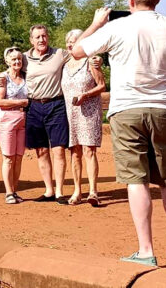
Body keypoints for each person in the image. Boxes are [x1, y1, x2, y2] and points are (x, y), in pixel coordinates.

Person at [72, 0, 166, 267]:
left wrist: (96, 24)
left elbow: (76, 51)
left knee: (136, 180)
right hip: (162, 109)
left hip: (126, 110)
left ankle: (146, 251)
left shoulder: (117, 27)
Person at [0, 25, 101, 204]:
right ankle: (49, 190)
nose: (41, 40)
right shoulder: (25, 58)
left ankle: (59, 192)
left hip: (56, 104)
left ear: (48, 37)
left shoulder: (59, 54)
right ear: (31, 40)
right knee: (41, 151)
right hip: (35, 106)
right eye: (37, 37)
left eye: (44, 36)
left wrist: (95, 58)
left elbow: (79, 52)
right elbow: (11, 68)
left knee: (58, 149)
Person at [61, 29, 106, 206]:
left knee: (89, 150)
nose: (72, 44)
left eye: (75, 41)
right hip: (70, 112)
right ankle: (77, 191)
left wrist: (85, 95)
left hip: (89, 111)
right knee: (74, 152)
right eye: (69, 41)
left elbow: (102, 85)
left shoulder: (91, 62)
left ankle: (93, 191)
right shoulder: (64, 65)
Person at [0, 47, 29, 204]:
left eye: (19, 59)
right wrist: (21, 102)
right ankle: (8, 192)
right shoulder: (3, 78)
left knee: (19, 157)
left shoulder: (26, 77)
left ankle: (14, 191)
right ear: (7, 61)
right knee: (8, 157)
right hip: (6, 118)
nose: (17, 62)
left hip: (23, 119)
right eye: (13, 59)